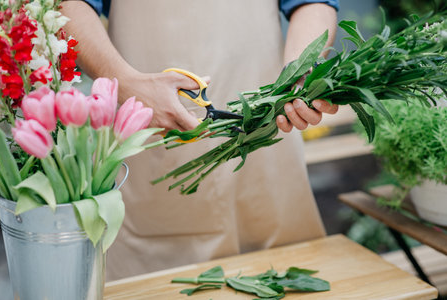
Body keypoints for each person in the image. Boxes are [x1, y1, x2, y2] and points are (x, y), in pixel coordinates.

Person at [61, 0, 339, 281]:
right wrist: (126, 83)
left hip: (269, 141)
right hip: (151, 146)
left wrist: (302, 71)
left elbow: (313, 3)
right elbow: (68, 5)